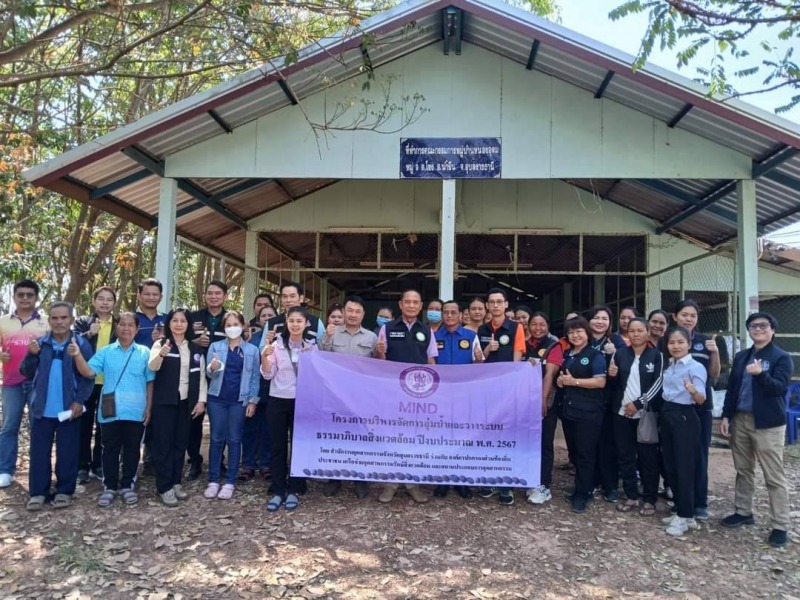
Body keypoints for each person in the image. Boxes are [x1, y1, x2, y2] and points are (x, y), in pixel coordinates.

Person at [720, 312, 793, 548]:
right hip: (740, 419)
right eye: (753, 326)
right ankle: (743, 511)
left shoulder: (781, 358)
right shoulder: (742, 357)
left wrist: (761, 375)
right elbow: (733, 389)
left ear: (773, 330)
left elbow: (779, 389)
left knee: (774, 475)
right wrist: (726, 415)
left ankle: (780, 525)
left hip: (768, 423)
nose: (758, 329)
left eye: (763, 326)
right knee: (743, 469)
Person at [70, 312, 154, 507]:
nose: (126, 328)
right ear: (117, 327)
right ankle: (109, 486)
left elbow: (150, 381)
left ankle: (127, 485)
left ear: (137, 329)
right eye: (122, 324)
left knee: (133, 449)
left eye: (130, 325)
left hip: (136, 410)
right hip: (110, 410)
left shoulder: (145, 352)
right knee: (109, 449)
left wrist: (149, 407)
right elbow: (88, 372)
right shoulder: (106, 352)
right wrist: (76, 355)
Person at [21, 302, 94, 511]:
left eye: (64, 318)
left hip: (68, 409)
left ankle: (64, 491)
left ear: (71, 320)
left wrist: (79, 400)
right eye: (55, 318)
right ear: (49, 320)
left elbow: (88, 376)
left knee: (68, 451)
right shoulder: (40, 344)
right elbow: (26, 372)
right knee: (39, 452)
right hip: (41, 409)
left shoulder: (80, 345)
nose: (59, 322)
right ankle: (38, 492)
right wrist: (30, 354)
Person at [375, 288, 437, 504]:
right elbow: (380, 362)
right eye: (407, 301)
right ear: (400, 304)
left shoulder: (427, 331)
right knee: (392, 438)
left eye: (415, 302)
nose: (411, 305)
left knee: (415, 439)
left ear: (420, 306)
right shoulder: (387, 329)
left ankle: (412, 483)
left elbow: (431, 363)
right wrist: (380, 351)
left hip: (418, 396)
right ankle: (390, 484)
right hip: (393, 394)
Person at [148, 308, 208, 506]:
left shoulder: (195, 348)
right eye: (175, 320)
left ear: (188, 324)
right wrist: (161, 354)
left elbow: (200, 377)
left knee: (180, 443)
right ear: (169, 323)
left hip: (187, 402)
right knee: (163, 444)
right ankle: (164, 487)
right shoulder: (160, 344)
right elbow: (152, 367)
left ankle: (176, 482)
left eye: (183, 320)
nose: (179, 324)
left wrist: (201, 401)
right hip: (164, 402)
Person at [320, 295, 378, 498]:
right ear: (343, 312)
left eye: (357, 311)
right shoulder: (333, 334)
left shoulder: (371, 337)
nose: (353, 315)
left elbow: (378, 366)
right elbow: (320, 356)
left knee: (360, 437)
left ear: (363, 314)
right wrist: (326, 337)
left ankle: (360, 479)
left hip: (362, 397)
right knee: (336, 436)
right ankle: (334, 477)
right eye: (350, 310)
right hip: (336, 395)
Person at [261, 306, 318, 512]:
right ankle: (278, 489)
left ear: (306, 324)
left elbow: (316, 378)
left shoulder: (312, 347)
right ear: (286, 321)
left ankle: (295, 488)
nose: (295, 324)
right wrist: (264, 357)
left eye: (299, 321)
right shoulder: (275, 346)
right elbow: (268, 375)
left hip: (301, 403)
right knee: (277, 446)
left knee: (298, 446)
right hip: (277, 400)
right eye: (291, 320)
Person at [607, 317, 664, 516]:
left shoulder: (656, 355)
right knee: (625, 456)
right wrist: (611, 375)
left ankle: (649, 499)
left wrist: (638, 404)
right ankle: (631, 496)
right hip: (621, 414)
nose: (636, 334)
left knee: (648, 458)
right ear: (627, 334)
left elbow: (658, 384)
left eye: (640, 330)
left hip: (645, 415)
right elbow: (613, 387)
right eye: (632, 331)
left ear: (648, 332)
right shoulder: (620, 354)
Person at [204, 311, 261, 500]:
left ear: (243, 326)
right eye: (228, 325)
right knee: (216, 439)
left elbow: (254, 377)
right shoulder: (215, 347)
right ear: (224, 328)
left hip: (239, 400)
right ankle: (213, 480)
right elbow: (210, 375)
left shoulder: (252, 350)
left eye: (235, 324)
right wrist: (211, 369)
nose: (232, 328)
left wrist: (253, 400)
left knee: (235, 439)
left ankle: (230, 482)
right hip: (216, 399)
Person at [672, 299, 719, 521]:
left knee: (699, 455)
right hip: (675, 409)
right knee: (677, 456)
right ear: (675, 317)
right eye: (684, 314)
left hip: (700, 407)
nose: (689, 319)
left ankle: (699, 502)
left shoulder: (706, 342)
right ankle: (681, 502)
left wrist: (716, 353)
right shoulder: (670, 342)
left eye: (693, 315)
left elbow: (715, 375)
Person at [477, 288, 525, 506]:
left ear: (506, 305)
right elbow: (479, 361)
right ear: (487, 306)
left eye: (499, 302)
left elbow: (517, 362)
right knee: (489, 435)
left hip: (507, 391)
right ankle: (489, 478)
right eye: (492, 302)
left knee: (507, 436)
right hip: (487, 391)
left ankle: (506, 484)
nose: (495, 305)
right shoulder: (482, 329)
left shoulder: (517, 328)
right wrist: (487, 350)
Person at [0, 279, 49, 488]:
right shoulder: (3, 322)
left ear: (36, 298)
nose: (25, 298)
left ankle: (37, 469)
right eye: (21, 294)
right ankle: (5, 470)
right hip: (11, 383)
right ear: (14, 297)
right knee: (9, 426)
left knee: (37, 426)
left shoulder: (46, 323)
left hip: (37, 383)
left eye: (30, 295)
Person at [432, 300, 484, 499]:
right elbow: (430, 364)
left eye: (454, 312)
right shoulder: (434, 337)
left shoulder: (472, 337)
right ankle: (442, 480)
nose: (450, 316)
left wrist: (480, 360)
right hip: (441, 396)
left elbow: (480, 365)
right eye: (446, 312)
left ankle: (461, 479)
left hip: (465, 396)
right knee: (442, 438)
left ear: (461, 315)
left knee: (463, 437)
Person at [557, 316, 607, 514]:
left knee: (586, 453)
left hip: (589, 413)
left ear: (586, 333)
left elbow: (600, 382)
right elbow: (563, 379)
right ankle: (580, 486)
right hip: (570, 412)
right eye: (571, 332)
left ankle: (584, 493)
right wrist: (561, 382)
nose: (575, 335)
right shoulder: (568, 354)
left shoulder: (595, 356)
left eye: (579, 331)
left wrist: (574, 382)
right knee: (575, 452)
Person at [659, 326, 707, 536]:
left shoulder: (695, 367)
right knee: (671, 466)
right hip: (668, 414)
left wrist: (693, 390)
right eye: (672, 343)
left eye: (680, 342)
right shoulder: (671, 365)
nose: (675, 346)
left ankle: (687, 514)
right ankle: (682, 511)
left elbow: (701, 398)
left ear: (689, 344)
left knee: (684, 467)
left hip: (685, 416)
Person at [72, 286, 119, 483]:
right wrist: (89, 334)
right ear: (94, 301)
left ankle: (99, 465)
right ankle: (82, 466)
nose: (105, 302)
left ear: (114, 303)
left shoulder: (119, 325)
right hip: (87, 382)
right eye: (101, 298)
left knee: (104, 425)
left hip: (109, 383)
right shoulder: (83, 322)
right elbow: (72, 342)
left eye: (109, 299)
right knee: (84, 424)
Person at [186, 279, 229, 481]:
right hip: (195, 374)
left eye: (218, 293)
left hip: (221, 376)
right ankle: (194, 461)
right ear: (205, 296)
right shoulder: (193, 317)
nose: (213, 296)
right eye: (210, 293)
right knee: (194, 420)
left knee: (219, 423)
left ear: (225, 296)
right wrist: (194, 341)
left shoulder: (230, 318)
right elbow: (180, 338)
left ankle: (218, 462)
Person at [587, 304, 627, 503]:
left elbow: (626, 367)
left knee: (608, 444)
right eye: (596, 318)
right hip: (586, 400)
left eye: (604, 318)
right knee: (589, 443)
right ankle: (592, 481)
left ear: (610, 323)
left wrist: (614, 354)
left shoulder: (616, 341)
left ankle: (610, 486)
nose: (600, 322)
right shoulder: (583, 339)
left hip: (609, 401)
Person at [524, 312, 563, 505]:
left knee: (544, 442)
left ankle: (544, 484)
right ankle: (528, 478)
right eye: (534, 324)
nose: (537, 328)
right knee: (527, 441)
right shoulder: (524, 344)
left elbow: (549, 375)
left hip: (545, 401)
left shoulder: (553, 345)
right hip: (524, 400)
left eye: (542, 324)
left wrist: (543, 399)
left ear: (548, 326)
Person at [241, 304, 275, 482]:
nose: (267, 318)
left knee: (268, 430)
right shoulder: (251, 340)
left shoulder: (280, 340)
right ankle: (247, 464)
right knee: (250, 430)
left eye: (271, 315)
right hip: (254, 392)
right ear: (258, 318)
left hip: (273, 393)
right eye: (264, 316)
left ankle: (266, 464)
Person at [263, 281, 325, 348]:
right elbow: (262, 350)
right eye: (285, 296)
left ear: (301, 298)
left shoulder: (316, 322)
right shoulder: (271, 323)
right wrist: (269, 343)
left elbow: (323, 350)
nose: (288, 300)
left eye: (292, 296)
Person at [134, 278, 166, 347]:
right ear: (139, 295)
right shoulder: (130, 318)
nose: (151, 298)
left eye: (155, 294)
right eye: (147, 294)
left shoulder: (168, 319)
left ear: (161, 297)